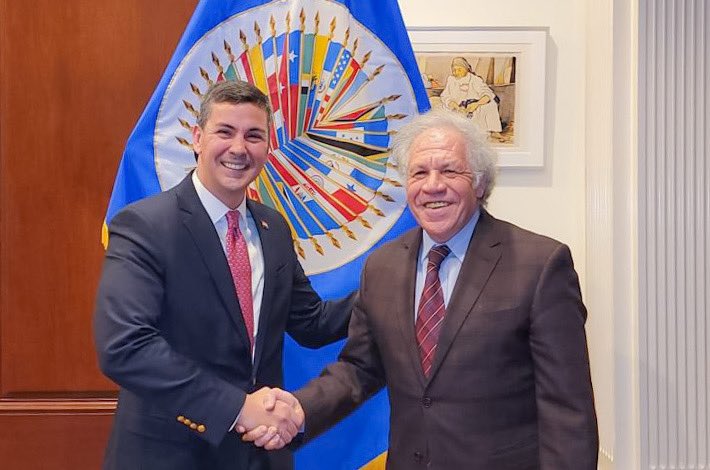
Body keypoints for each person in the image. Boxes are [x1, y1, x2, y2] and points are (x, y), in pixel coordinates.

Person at [246, 109, 599, 469]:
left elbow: (567, 410)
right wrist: (299, 409)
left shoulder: (541, 265)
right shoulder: (383, 267)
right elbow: (360, 368)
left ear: (479, 183)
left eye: (449, 170)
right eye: (419, 172)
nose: (433, 185)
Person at [94, 79, 354, 470]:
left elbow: (311, 323)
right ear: (198, 138)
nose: (238, 148)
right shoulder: (145, 225)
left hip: (259, 456)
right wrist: (236, 409)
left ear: (267, 148)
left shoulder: (274, 228)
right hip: (169, 454)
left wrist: (400, 285)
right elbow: (125, 346)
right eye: (225, 132)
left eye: (253, 135)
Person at [440, 56, 503, 136]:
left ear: (466, 68)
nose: (456, 72)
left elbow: (488, 93)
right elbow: (445, 96)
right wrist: (456, 106)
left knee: (491, 105)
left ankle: (494, 131)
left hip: (474, 105)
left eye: (459, 70)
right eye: (454, 70)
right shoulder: (451, 80)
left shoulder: (475, 80)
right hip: (458, 107)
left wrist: (477, 104)